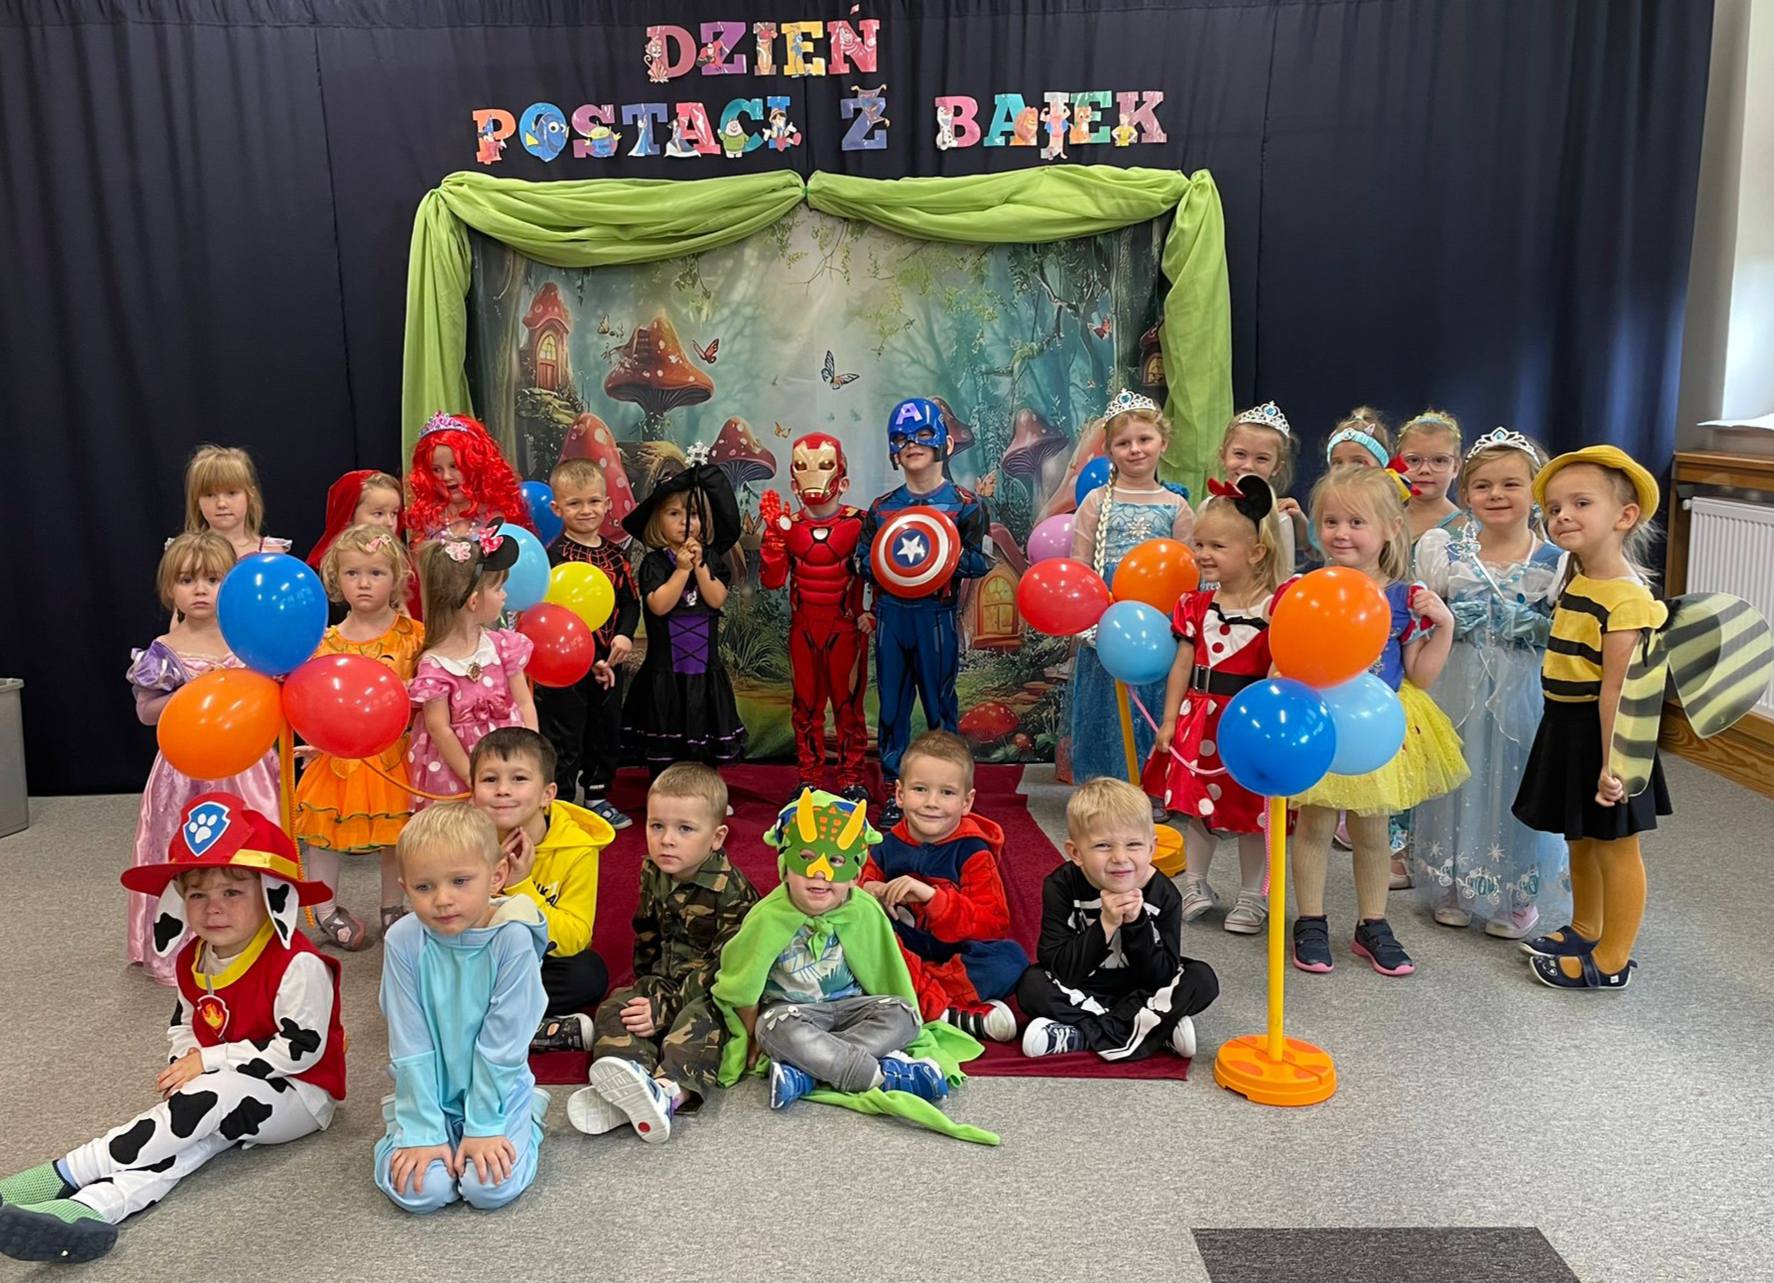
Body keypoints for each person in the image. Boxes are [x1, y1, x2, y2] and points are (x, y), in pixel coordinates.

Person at [0, 794, 343, 1263]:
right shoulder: (193, 958)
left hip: (300, 1095)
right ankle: (89, 1210)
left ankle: (63, 1173)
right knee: (188, 1144)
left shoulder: (297, 964)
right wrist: (186, 1060)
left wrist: (210, 1062)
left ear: (271, 895)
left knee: (207, 1102)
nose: (213, 908)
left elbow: (302, 1049)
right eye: (198, 894)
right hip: (227, 1086)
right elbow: (184, 1023)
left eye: (233, 892)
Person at [712, 788, 995, 1144]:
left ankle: (809, 1071)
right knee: (774, 1029)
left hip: (852, 1010)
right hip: (793, 1013)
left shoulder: (864, 910)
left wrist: (904, 1015)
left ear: (853, 874)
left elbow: (888, 973)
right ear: (784, 869)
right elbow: (742, 985)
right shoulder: (768, 917)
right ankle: (879, 1076)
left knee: (903, 1015)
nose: (819, 875)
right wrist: (754, 1038)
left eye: (836, 862)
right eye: (806, 859)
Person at [1289, 466, 1467, 978]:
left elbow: (1421, 676)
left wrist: (1445, 625)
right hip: (1323, 722)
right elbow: (1288, 655)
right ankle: (1311, 921)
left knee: (1373, 830)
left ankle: (1373, 923)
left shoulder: (1404, 597)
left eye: (1356, 522)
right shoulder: (1307, 588)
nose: (1341, 533)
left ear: (1390, 528)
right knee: (1315, 825)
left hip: (1375, 725)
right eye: (1330, 521)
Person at [1512, 447, 1671, 990]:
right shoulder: (1579, 580)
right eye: (1555, 508)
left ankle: (1612, 960)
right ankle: (1587, 927)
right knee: (1579, 838)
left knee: (1615, 846)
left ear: (1625, 516)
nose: (1563, 516)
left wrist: (1614, 764)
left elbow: (1618, 692)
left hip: (1609, 736)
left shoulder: (1627, 599)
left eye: (1581, 503)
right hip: (1567, 728)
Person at [1410, 430, 1569, 938]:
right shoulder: (1446, 551)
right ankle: (1456, 882)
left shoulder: (1555, 560)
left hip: (1523, 690)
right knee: (1461, 776)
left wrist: (1538, 626)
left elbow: (1572, 628)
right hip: (1459, 684)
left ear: (1536, 492)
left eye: (1510, 485)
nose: (1496, 495)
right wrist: (1447, 619)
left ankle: (1516, 894)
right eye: (1483, 486)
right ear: (1467, 492)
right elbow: (1423, 616)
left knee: (1516, 780)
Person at [568, 764, 758, 1144]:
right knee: (616, 1007)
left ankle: (669, 1091)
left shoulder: (731, 891)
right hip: (666, 979)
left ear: (716, 837)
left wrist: (666, 1008)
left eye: (685, 829)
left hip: (712, 991)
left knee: (698, 1024)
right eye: (656, 826)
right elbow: (647, 931)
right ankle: (627, 1080)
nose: (666, 840)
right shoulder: (653, 870)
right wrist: (647, 992)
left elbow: (726, 969)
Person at [375, 803, 549, 1213]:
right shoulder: (403, 940)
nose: (443, 900)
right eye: (423, 887)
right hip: (429, 1092)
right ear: (405, 888)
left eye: (459, 881)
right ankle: (402, 1123)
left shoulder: (512, 940)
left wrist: (485, 1126)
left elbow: (501, 1045)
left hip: (498, 1090)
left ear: (497, 876)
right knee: (421, 1191)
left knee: (488, 1189)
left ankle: (527, 1114)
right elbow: (410, 1040)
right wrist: (422, 1130)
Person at [126, 532, 279, 984]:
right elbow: (145, 712)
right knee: (187, 848)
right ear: (168, 588)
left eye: (212, 580)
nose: (199, 590)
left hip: (246, 767)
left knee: (249, 844)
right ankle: (180, 945)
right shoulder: (164, 651)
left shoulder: (247, 643)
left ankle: (258, 936)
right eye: (187, 580)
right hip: (184, 773)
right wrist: (192, 692)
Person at [1145, 475, 1290, 934]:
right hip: (1199, 720)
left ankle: (1252, 895)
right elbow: (1181, 666)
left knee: (1252, 813)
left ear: (1255, 552)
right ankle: (1195, 883)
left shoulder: (1276, 606)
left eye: (1217, 546)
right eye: (1199, 544)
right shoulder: (1194, 604)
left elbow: (1284, 665)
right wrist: (1169, 720)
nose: (1203, 554)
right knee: (1196, 808)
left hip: (1248, 724)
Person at [1016, 778, 1219, 1061]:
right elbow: (1061, 969)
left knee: (1202, 979)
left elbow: (1161, 975)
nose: (1120, 857)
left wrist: (1137, 923)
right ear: (1076, 853)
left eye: (1134, 844)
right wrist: (1106, 924)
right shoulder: (1060, 885)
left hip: (1141, 988)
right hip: (1083, 987)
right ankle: (1153, 1029)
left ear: (1152, 848)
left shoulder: (1165, 895)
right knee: (1031, 984)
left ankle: (1080, 1034)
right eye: (1103, 846)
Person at [859, 397, 991, 825]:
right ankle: (895, 791)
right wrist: (883, 561)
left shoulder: (966, 505)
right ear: (892, 449)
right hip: (892, 617)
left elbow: (981, 560)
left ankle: (948, 789)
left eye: (922, 434)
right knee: (892, 709)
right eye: (901, 438)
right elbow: (861, 560)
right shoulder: (881, 508)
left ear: (944, 443)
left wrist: (943, 554)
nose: (911, 444)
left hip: (936, 615)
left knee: (940, 706)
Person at [294, 523, 425, 948]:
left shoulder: (415, 637)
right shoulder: (325, 642)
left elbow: (428, 695)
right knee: (324, 834)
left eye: (375, 573)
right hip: (337, 757)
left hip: (394, 754)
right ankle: (325, 909)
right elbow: (311, 699)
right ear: (337, 578)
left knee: (396, 836)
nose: (364, 583)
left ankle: (393, 907)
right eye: (352, 573)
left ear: (396, 578)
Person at [859, 730, 1028, 1042]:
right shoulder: (884, 845)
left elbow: (992, 924)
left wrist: (933, 898)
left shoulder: (974, 851)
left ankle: (914, 997)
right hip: (902, 948)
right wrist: (873, 891)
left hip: (957, 955)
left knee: (1011, 960)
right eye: (920, 789)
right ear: (900, 794)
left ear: (967, 802)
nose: (931, 803)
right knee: (860, 935)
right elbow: (852, 892)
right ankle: (946, 1011)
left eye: (947, 793)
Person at [1068, 390, 1194, 788]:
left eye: (1144, 439)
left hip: (1158, 623)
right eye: (1123, 443)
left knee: (1154, 699)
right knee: (1105, 701)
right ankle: (1105, 787)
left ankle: (1151, 787)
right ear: (1109, 450)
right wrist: (1087, 622)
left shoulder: (1176, 506)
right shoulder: (1095, 502)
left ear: (1163, 443)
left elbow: (1189, 572)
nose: (1135, 449)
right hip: (1108, 618)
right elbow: (1080, 566)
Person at [469, 727, 614, 1052]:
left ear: (547, 794)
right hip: (478, 956)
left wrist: (520, 887)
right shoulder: (463, 837)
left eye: (519, 779)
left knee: (588, 973)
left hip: (538, 961)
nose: (502, 790)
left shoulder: (577, 848)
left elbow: (575, 937)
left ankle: (483, 1024)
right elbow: (447, 916)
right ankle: (527, 1028)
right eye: (490, 779)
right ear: (473, 790)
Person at [758, 432, 871, 804]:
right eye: (803, 467)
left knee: (848, 707)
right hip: (804, 628)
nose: (814, 476)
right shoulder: (788, 526)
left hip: (846, 629)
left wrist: (872, 612)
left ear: (843, 480)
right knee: (805, 707)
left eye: (824, 465)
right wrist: (774, 542)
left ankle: (852, 777)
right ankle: (809, 778)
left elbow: (882, 570)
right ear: (793, 482)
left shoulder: (860, 523)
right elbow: (773, 581)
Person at [620, 450, 747, 770]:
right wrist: (680, 570)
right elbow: (659, 605)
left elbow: (716, 599)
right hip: (666, 674)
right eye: (673, 513)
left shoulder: (712, 559)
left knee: (705, 739)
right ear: (658, 520)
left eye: (692, 515)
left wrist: (700, 565)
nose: (684, 522)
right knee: (665, 739)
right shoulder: (654, 563)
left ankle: (704, 785)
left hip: (704, 673)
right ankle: (664, 784)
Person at [532, 457, 640, 828]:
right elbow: (546, 615)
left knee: (605, 728)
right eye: (574, 503)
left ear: (607, 504)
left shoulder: (616, 555)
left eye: (594, 501)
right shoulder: (552, 557)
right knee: (564, 731)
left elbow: (630, 603)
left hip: (610, 662)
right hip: (564, 667)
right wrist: (584, 657)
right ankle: (561, 801)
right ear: (556, 508)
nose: (586, 510)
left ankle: (597, 793)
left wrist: (624, 635)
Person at [406, 526, 535, 808]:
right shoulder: (435, 666)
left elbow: (524, 702)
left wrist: (532, 755)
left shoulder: (502, 647)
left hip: (510, 760)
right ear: (474, 601)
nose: (504, 596)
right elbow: (439, 729)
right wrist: (473, 777)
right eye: (498, 589)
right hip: (460, 774)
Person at [405, 412, 534, 543]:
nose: (446, 476)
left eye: (454, 466)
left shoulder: (495, 516)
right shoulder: (430, 521)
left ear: (476, 465)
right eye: (436, 469)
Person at [1216, 400, 1303, 568]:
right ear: (1223, 456)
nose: (1248, 466)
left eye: (1261, 458)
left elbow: (1284, 574)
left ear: (1276, 467)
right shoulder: (1208, 506)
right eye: (1240, 454)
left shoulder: (1280, 519)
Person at [181, 444, 291, 559]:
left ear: (250, 495)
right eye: (209, 495)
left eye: (232, 493)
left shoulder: (271, 553)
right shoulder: (184, 554)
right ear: (196, 500)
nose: (221, 504)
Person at [304, 469, 404, 569]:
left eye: (394, 513)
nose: (390, 523)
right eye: (378, 514)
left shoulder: (403, 567)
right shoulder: (320, 570)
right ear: (349, 516)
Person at [1398, 410, 1470, 544]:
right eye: (1413, 460)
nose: (1424, 470)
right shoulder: (1386, 522)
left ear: (1455, 467)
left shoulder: (1467, 528)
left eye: (1439, 460)